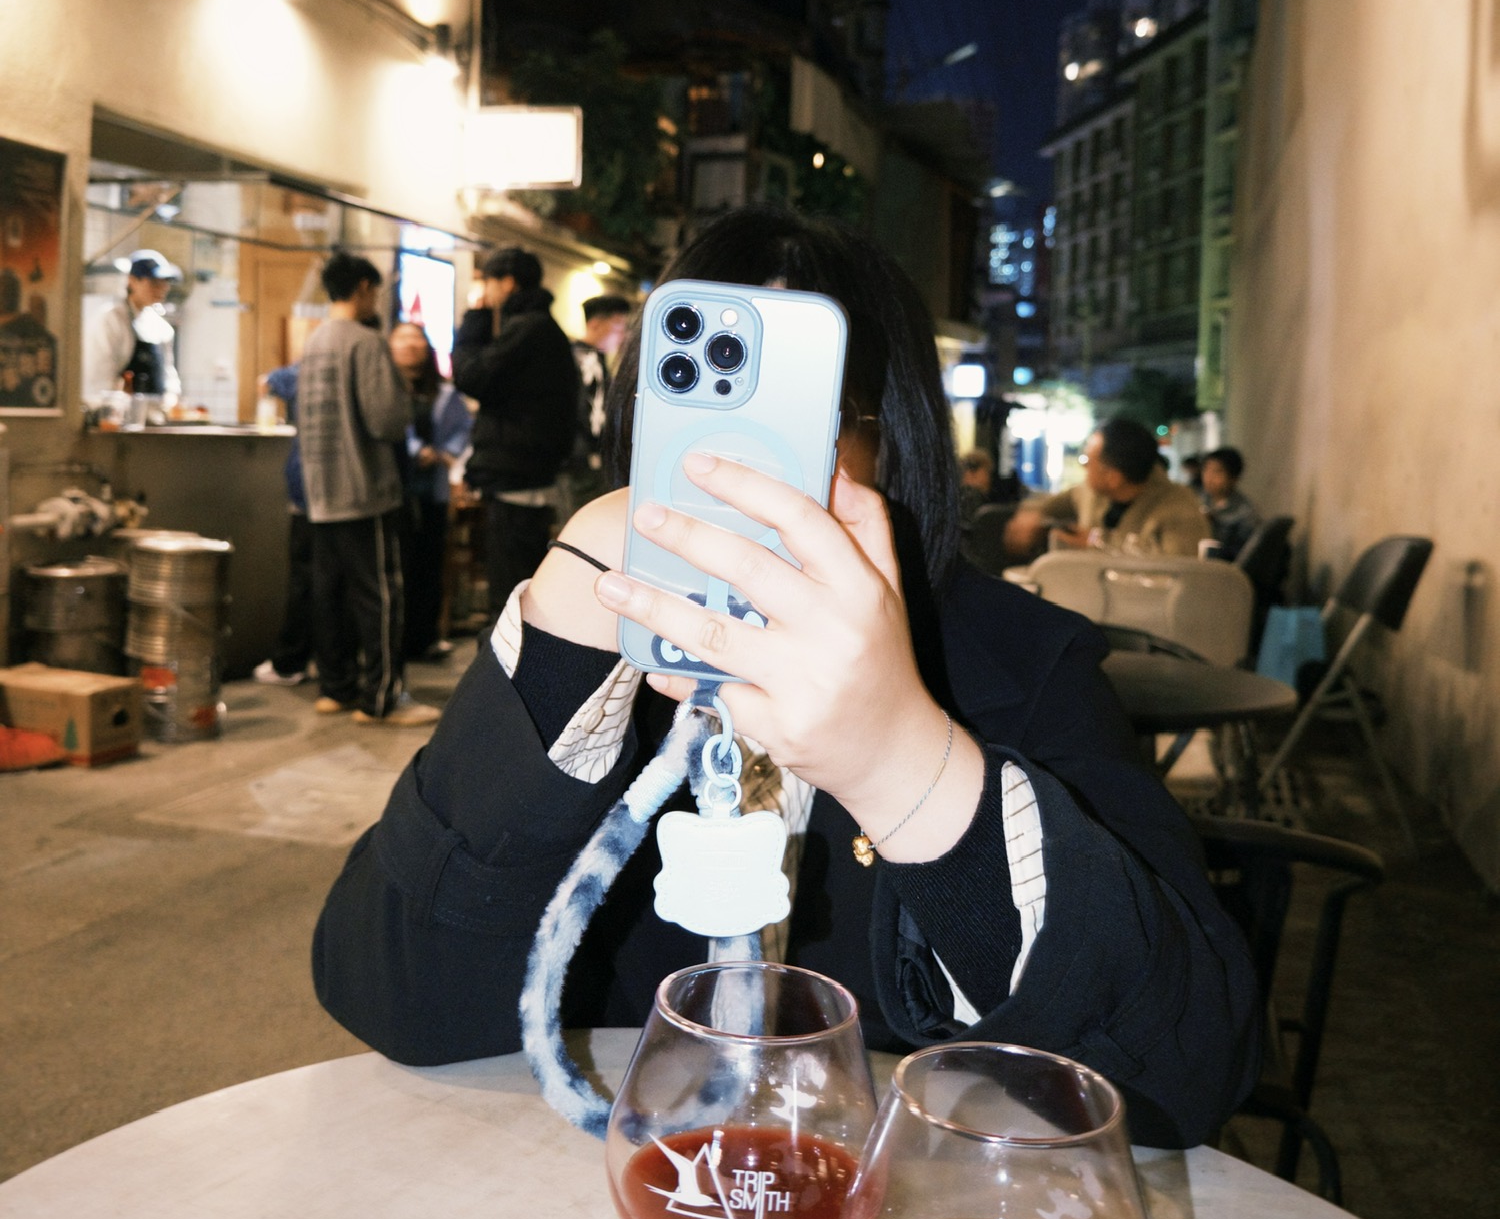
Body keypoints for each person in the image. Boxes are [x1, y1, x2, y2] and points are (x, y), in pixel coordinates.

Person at [313, 209, 1260, 1149]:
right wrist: (563, 639)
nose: (741, 464)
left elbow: (1182, 1077)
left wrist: (906, 766)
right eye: (699, 410)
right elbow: (397, 999)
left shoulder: (1026, 661)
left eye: (797, 416)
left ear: (894, 437)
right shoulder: (605, 636)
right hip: (625, 1192)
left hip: (901, 1201)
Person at [298, 253, 437, 729]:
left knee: (329, 594)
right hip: (363, 490)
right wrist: (404, 400)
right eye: (374, 290)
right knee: (381, 596)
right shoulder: (365, 341)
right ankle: (382, 699)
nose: (375, 299)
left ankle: (335, 689)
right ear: (361, 287)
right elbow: (387, 421)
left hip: (321, 491)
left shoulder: (315, 340)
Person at [451, 246, 579, 625]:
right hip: (526, 475)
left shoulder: (528, 329)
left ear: (507, 283)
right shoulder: (541, 328)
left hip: (517, 480)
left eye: (488, 282)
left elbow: (472, 376)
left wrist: (474, 319)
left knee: (509, 598)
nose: (486, 292)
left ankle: (508, 660)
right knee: (519, 591)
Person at [1004, 417, 1212, 561]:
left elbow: (1180, 568)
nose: (1084, 467)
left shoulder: (1180, 508)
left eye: (1088, 461)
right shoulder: (1091, 492)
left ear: (1113, 478)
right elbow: (1055, 503)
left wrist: (1099, 541)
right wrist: (1032, 514)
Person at [389, 321, 473, 661]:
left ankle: (425, 638)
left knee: (430, 563)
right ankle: (395, 640)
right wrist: (415, 450)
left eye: (417, 340)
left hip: (433, 490)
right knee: (399, 566)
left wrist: (444, 453)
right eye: (403, 339)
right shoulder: (386, 386)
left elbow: (464, 427)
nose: (411, 345)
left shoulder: (445, 392)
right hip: (396, 491)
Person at [252, 360, 313, 687]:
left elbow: (267, 382)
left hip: (307, 490)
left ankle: (290, 661)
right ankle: (325, 662)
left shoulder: (306, 370)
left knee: (304, 579)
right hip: (342, 494)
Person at [84, 249, 182, 410]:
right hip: (118, 414)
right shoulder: (111, 319)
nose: (162, 288)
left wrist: (170, 399)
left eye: (165, 282)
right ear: (132, 281)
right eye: (154, 282)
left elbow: (169, 376)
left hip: (156, 415)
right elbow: (99, 378)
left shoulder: (161, 327)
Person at [564, 292, 633, 516]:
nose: (622, 335)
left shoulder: (586, 357)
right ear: (595, 324)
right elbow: (592, 415)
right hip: (584, 460)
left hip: (580, 458)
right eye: (617, 326)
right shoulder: (587, 360)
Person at [1201, 446, 1261, 561]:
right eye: (1206, 470)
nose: (1209, 477)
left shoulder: (1245, 512)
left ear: (1233, 478)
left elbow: (1242, 553)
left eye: (1217, 471)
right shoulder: (1199, 499)